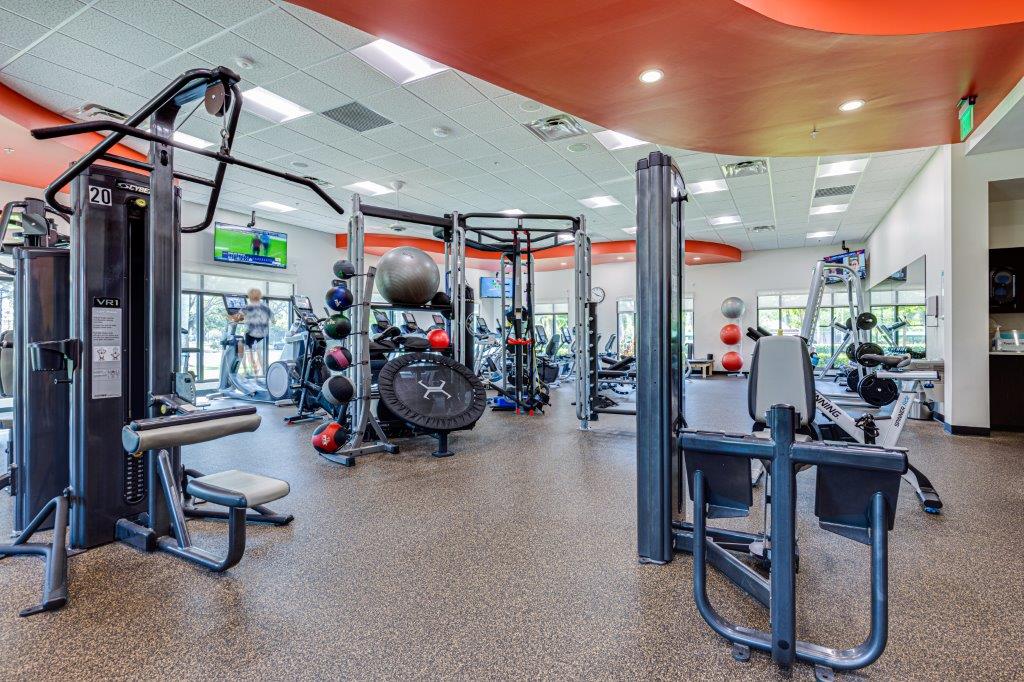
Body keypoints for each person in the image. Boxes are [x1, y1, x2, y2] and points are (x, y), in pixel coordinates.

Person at [232, 288, 273, 377]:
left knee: (240, 344)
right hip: (263, 335)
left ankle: (246, 371)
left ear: (250, 297)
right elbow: (273, 320)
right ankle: (263, 373)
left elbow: (238, 317)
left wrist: (236, 320)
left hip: (251, 334)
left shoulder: (248, 307)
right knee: (258, 351)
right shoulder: (266, 307)